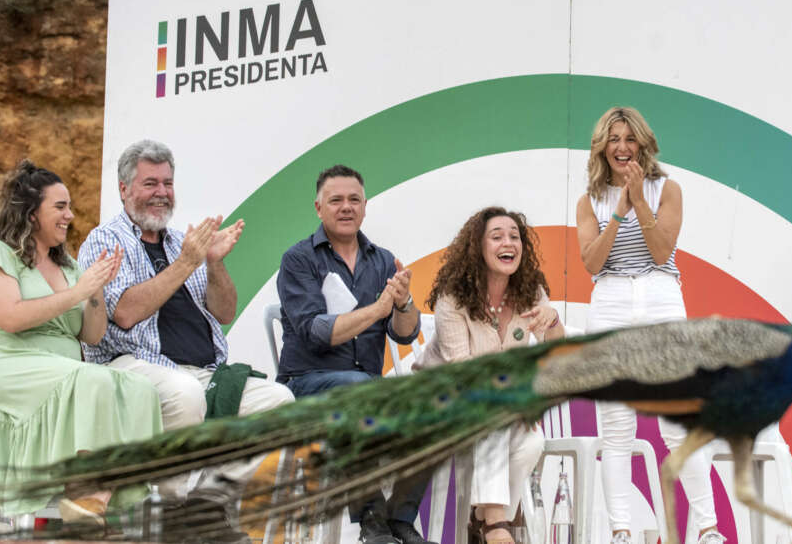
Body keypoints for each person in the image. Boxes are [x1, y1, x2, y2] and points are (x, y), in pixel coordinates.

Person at [78, 139, 294, 542]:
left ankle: (205, 500)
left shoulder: (183, 242)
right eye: (150, 183)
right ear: (124, 190)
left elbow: (225, 313)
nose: (162, 192)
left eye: (168, 183)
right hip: (129, 365)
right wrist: (186, 263)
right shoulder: (104, 240)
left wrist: (214, 264)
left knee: (279, 401)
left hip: (204, 370)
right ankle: (177, 507)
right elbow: (123, 313)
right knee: (183, 393)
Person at [0, 161, 162, 524]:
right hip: (7, 360)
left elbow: (92, 335)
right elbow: (10, 317)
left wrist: (96, 290)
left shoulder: (68, 265)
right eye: (59, 207)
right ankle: (86, 496)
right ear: (30, 213)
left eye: (70, 207)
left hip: (63, 368)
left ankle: (97, 499)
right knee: (92, 379)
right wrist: (77, 291)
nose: (70, 215)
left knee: (139, 387)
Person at [575, 107, 725, 544]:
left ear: (643, 143)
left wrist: (639, 199)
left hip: (660, 295)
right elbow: (591, 263)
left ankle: (708, 530)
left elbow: (661, 252)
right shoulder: (590, 200)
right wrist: (618, 211)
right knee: (617, 426)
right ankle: (621, 531)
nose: (622, 147)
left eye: (630, 138)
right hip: (611, 300)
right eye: (613, 139)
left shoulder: (668, 189)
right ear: (602, 146)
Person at [276, 164, 432, 544]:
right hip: (306, 384)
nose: (346, 207)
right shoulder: (299, 260)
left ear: (365, 206)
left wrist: (403, 300)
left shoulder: (382, 260)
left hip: (365, 389)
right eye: (336, 200)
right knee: (359, 389)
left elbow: (406, 331)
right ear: (318, 207)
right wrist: (377, 310)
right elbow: (314, 332)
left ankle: (398, 519)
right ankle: (371, 516)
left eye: (354, 200)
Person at [414, 207, 563, 544]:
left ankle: (482, 519)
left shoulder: (530, 292)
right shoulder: (453, 299)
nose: (508, 242)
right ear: (477, 248)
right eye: (497, 236)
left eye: (514, 236)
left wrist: (552, 321)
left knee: (533, 442)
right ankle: (496, 525)